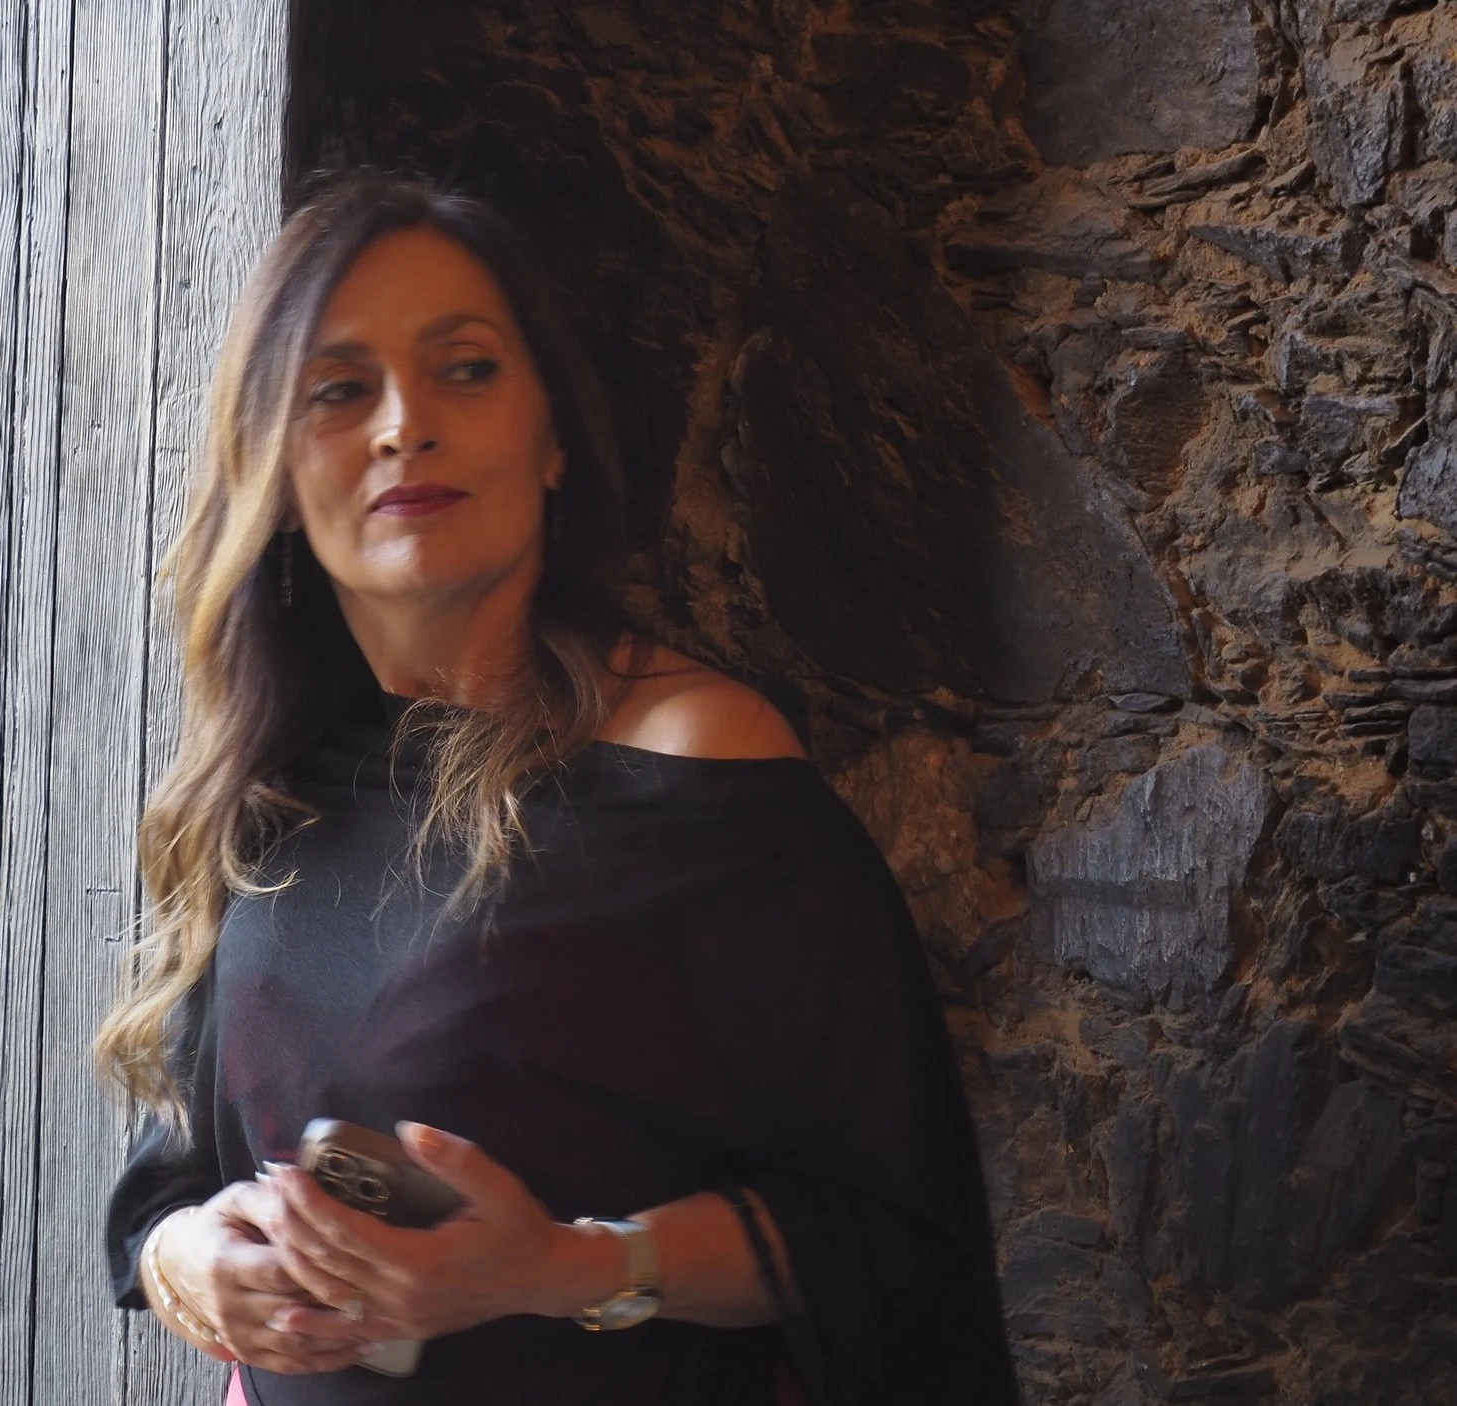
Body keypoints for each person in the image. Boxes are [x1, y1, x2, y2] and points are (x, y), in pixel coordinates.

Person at [95, 172, 1018, 1405]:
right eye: (337, 388)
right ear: (273, 466)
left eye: (464, 368)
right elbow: (185, 1174)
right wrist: (184, 1262)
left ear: (553, 437)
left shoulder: (694, 775)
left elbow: (886, 1230)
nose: (400, 424)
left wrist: (559, 1265)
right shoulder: (271, 787)